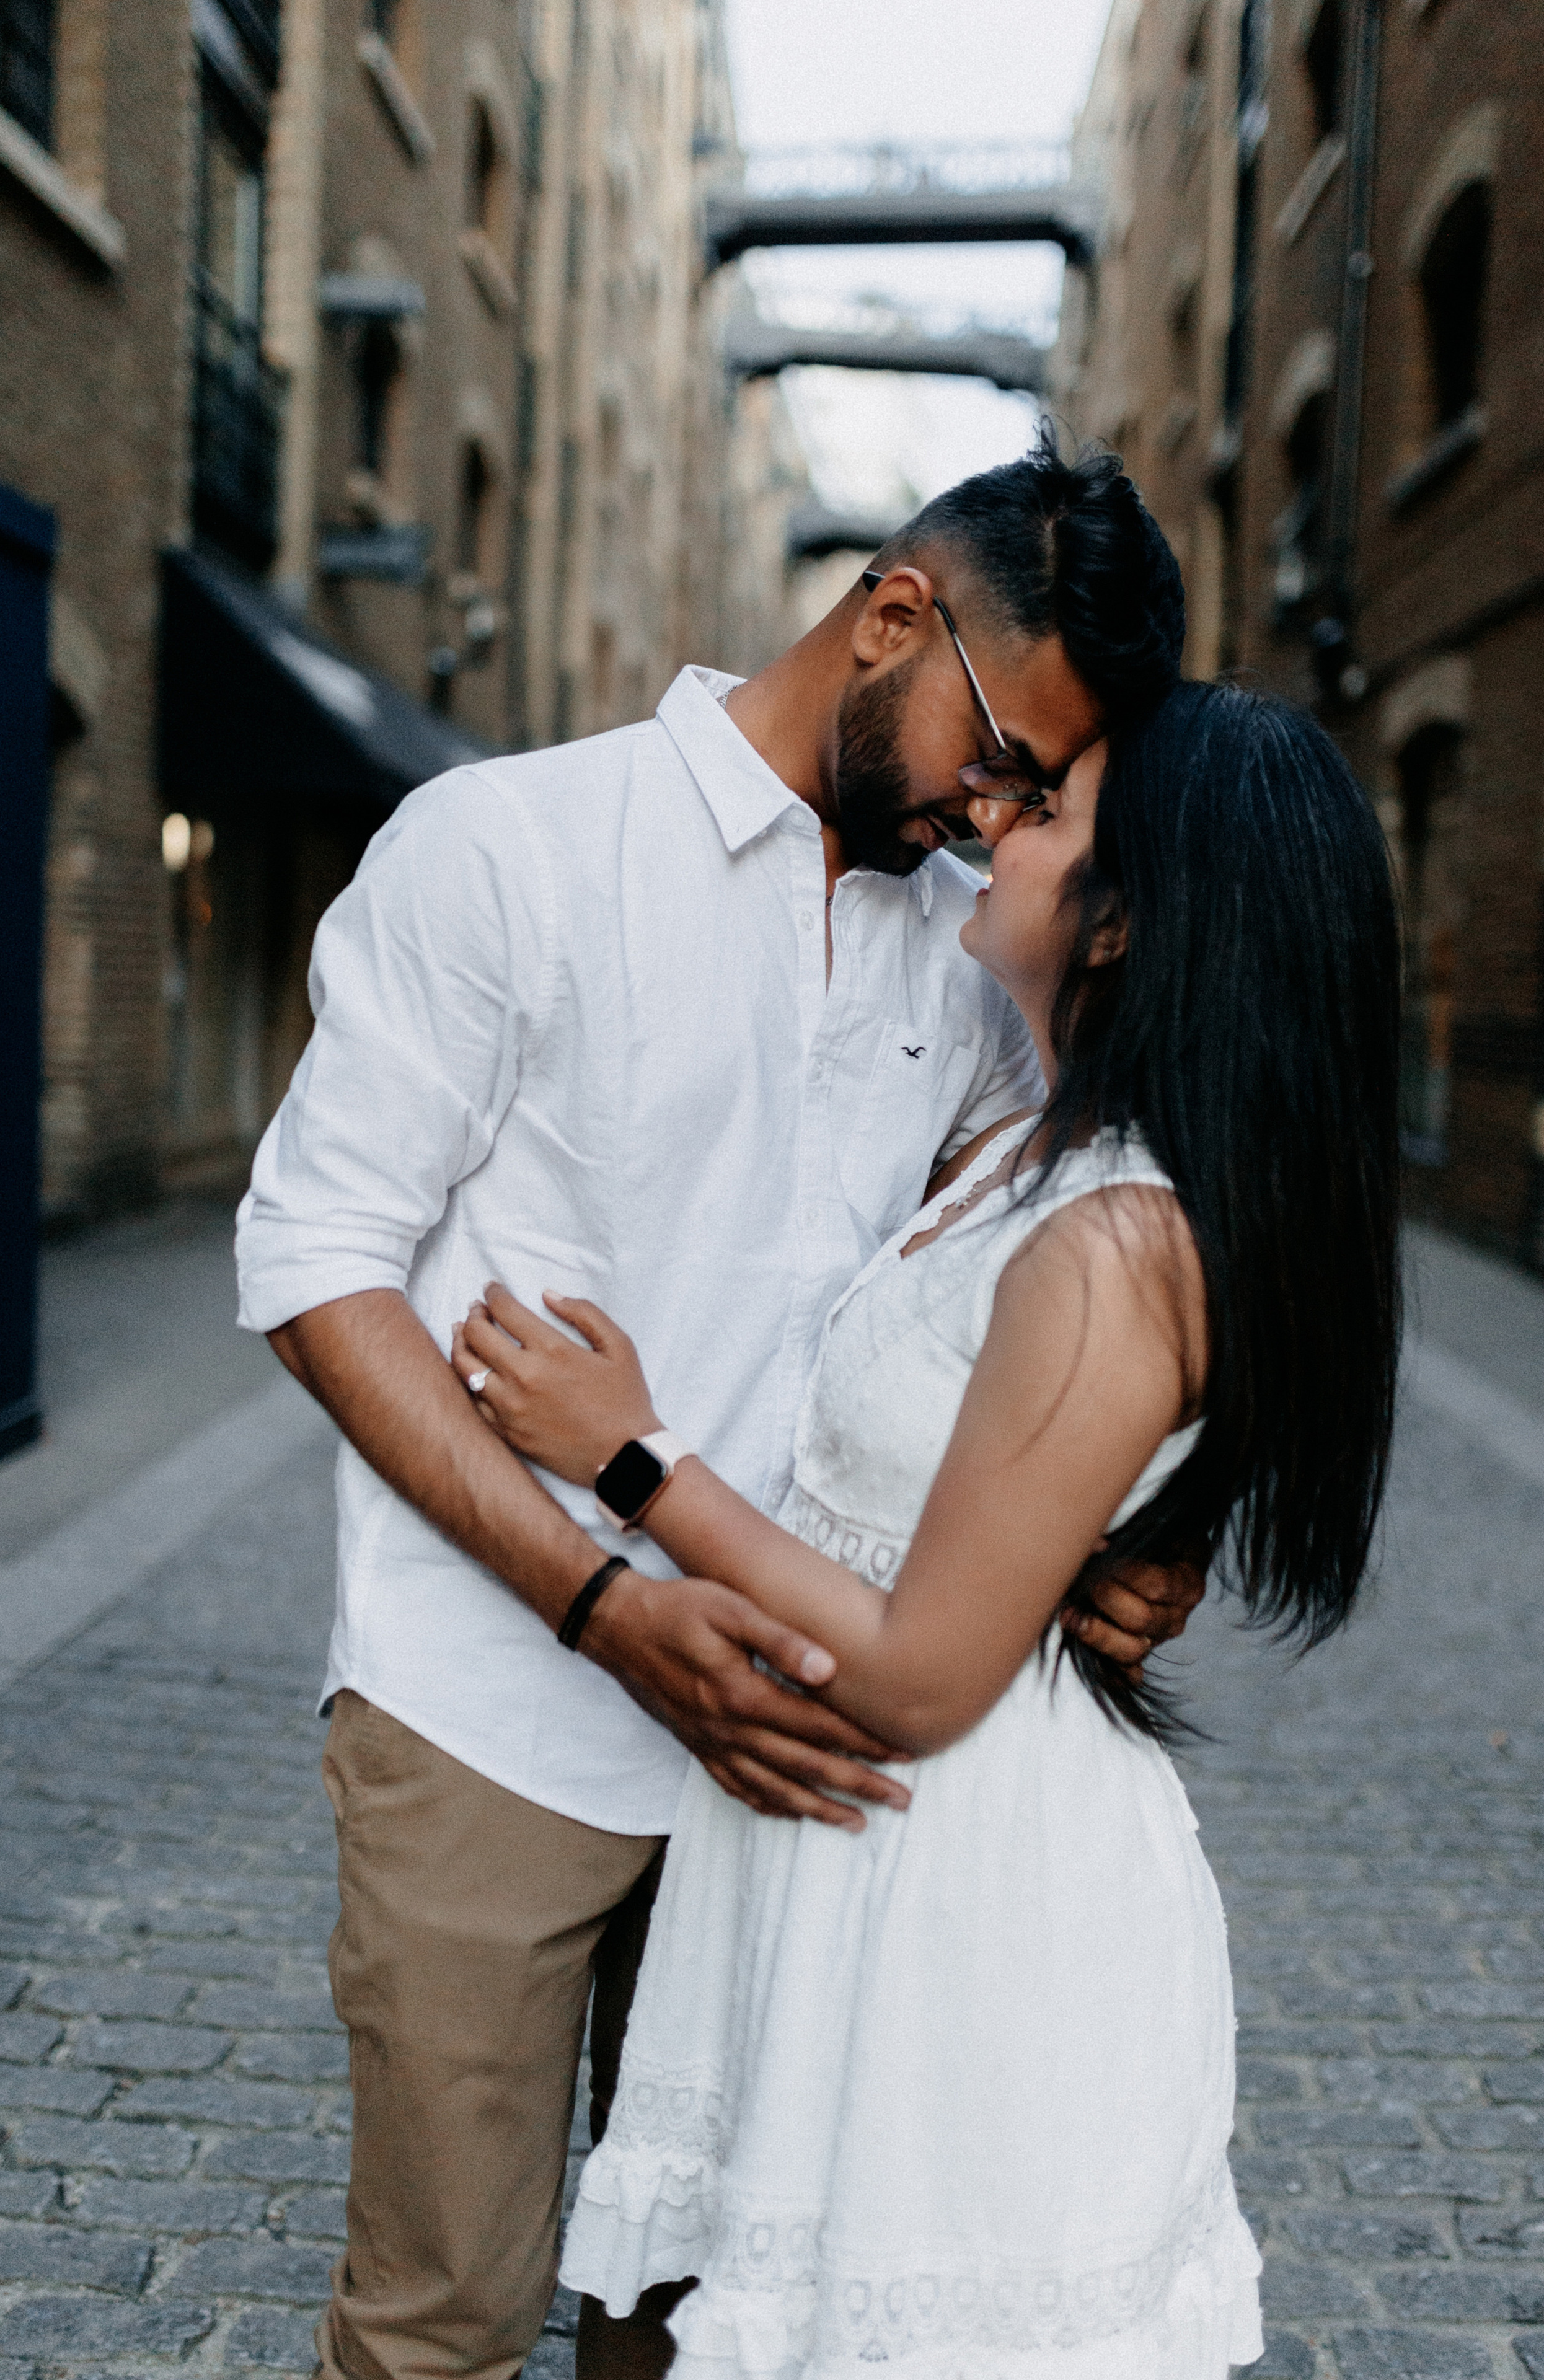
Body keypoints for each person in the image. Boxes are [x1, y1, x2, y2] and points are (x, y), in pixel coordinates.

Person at [235, 430, 1206, 2380]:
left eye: (1044, 792)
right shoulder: (508, 846)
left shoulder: (975, 950)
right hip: (491, 1715)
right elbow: (315, 1258)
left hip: (807, 1764)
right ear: (895, 618)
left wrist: (1134, 1530)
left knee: (696, 2324)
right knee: (442, 2320)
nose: (999, 813)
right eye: (1001, 754)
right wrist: (604, 1604)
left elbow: (1054, 1281)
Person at [449, 682, 1403, 2379]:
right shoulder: (1030, 1144)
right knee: (664, 2320)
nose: (990, 820)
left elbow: (922, 1673)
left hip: (955, 1892)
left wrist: (631, 1458)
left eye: (1044, 813)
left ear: (1127, 921)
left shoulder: (1117, 1238)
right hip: (826, 1857)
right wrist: (1131, 1531)